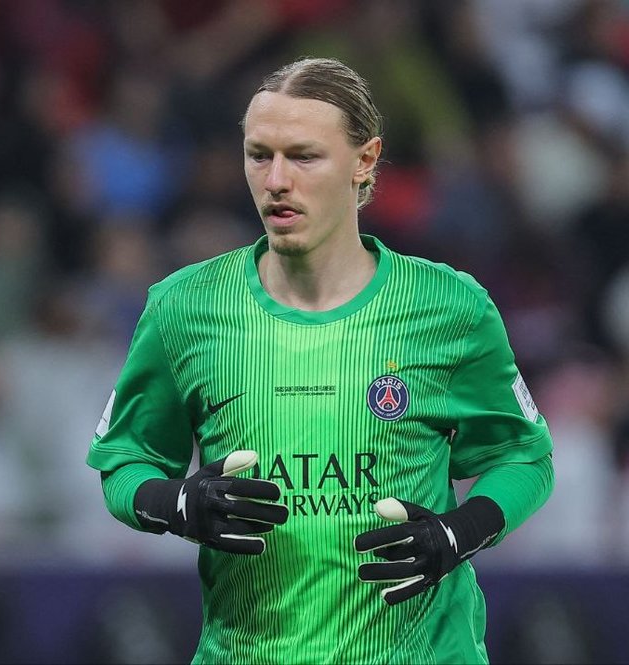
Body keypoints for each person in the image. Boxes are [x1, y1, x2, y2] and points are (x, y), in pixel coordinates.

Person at [87, 57, 554, 664]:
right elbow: (124, 462)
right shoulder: (184, 308)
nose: (276, 179)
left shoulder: (449, 306)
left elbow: (524, 457)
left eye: (304, 157)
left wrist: (458, 532)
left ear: (365, 160)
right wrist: (176, 504)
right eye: (259, 156)